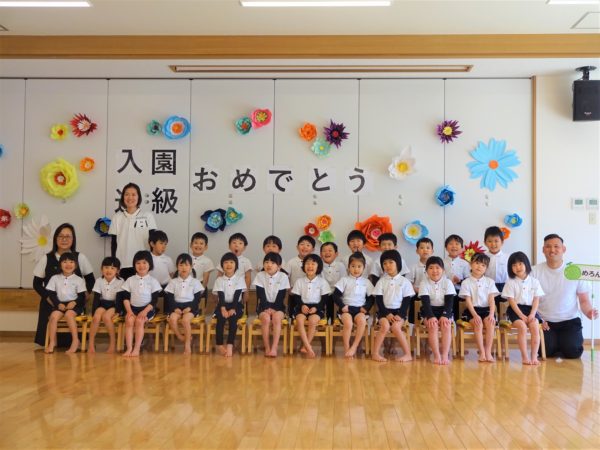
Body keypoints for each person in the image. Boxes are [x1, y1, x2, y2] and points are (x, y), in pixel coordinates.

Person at [532, 234, 597, 359]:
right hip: (545, 322)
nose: (552, 250)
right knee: (546, 351)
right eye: (548, 247)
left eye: (556, 246)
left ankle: (563, 344)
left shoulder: (575, 270)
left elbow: (584, 300)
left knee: (573, 352)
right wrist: (538, 320)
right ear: (543, 250)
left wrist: (589, 311)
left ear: (563, 249)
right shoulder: (534, 271)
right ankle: (556, 344)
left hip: (570, 320)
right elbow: (529, 301)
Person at [32, 223, 94, 348]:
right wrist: (49, 298)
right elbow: (36, 283)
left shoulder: (80, 257)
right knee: (52, 315)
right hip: (51, 302)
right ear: (55, 238)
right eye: (61, 236)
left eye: (68, 236)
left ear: (73, 239)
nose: (64, 239)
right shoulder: (46, 258)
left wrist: (84, 297)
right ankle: (51, 342)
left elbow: (91, 280)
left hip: (73, 304)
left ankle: (75, 341)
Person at [371, 250, 414, 363]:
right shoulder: (381, 281)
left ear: (398, 264)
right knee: (385, 326)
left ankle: (408, 354)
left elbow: (406, 301)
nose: (387, 265)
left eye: (391, 262)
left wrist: (400, 315)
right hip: (384, 312)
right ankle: (375, 353)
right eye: (384, 263)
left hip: (399, 313)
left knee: (395, 327)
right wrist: (387, 314)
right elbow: (379, 300)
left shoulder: (405, 281)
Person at [502, 251, 544, 365]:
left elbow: (536, 300)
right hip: (515, 310)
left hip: (531, 310)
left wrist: (532, 314)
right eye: (514, 265)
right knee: (522, 327)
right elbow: (511, 301)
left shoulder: (535, 282)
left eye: (520, 264)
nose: (518, 267)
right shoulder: (510, 283)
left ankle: (534, 357)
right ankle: (525, 357)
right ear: (510, 268)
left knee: (535, 326)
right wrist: (521, 316)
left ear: (526, 264)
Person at [108, 182, 157, 280]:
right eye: (127, 194)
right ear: (123, 197)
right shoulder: (117, 217)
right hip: (123, 264)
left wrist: (150, 262)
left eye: (134, 194)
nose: (130, 197)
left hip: (142, 265)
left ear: (139, 197)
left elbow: (153, 243)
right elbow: (114, 243)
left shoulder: (147, 216)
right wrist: (114, 265)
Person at [118, 251, 162, 357]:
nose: (141, 266)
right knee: (129, 320)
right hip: (132, 308)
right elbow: (125, 298)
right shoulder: (130, 280)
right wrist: (129, 311)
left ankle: (137, 348)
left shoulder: (153, 281)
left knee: (139, 321)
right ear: (134, 265)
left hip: (147, 309)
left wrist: (145, 311)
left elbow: (154, 301)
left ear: (150, 264)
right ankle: (129, 348)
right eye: (138, 263)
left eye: (144, 263)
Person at [458, 253, 499, 362]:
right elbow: (468, 301)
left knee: (490, 323)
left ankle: (488, 352)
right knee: (478, 323)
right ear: (471, 264)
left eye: (483, 265)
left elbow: (492, 300)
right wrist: (475, 315)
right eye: (477, 263)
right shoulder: (466, 282)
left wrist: (491, 314)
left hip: (487, 310)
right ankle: (481, 352)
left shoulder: (490, 282)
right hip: (472, 311)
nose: (479, 266)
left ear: (486, 268)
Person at [332, 252, 374, 358]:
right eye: (353, 266)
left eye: (359, 266)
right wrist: (342, 306)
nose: (356, 269)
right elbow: (335, 295)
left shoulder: (366, 282)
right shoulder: (344, 280)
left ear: (364, 268)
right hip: (346, 309)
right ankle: (347, 347)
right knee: (348, 323)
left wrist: (366, 307)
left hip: (360, 310)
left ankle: (354, 346)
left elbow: (371, 298)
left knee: (362, 321)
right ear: (348, 267)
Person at [44, 252, 87, 354]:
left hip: (75, 305)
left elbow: (82, 296)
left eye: (71, 262)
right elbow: (51, 294)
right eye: (65, 262)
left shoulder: (79, 280)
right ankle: (52, 342)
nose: (68, 264)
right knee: (53, 317)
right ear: (60, 264)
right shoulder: (55, 278)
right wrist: (58, 304)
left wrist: (74, 302)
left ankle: (75, 340)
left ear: (75, 265)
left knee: (69, 315)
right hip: (60, 304)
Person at [289, 254, 331, 358]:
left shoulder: (322, 282)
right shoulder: (299, 281)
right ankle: (308, 346)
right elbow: (296, 297)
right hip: (302, 307)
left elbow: (324, 299)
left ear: (318, 267)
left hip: (317, 308)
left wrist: (316, 308)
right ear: (304, 266)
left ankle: (305, 346)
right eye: (307, 263)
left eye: (313, 264)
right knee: (299, 320)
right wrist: (302, 305)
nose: (310, 266)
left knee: (313, 321)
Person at [418, 256, 456, 365]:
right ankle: (436, 355)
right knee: (433, 326)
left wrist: (445, 315)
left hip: (445, 310)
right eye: (431, 268)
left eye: (437, 267)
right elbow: (425, 303)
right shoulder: (424, 283)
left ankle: (444, 355)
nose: (434, 271)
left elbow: (449, 302)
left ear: (443, 270)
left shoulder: (448, 282)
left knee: (446, 326)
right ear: (426, 271)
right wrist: (430, 316)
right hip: (429, 310)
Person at [165, 254, 204, 355]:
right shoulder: (173, 282)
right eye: (181, 265)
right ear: (177, 267)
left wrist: (190, 308)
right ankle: (180, 337)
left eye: (186, 265)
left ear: (191, 267)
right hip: (176, 306)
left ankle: (187, 344)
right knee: (172, 319)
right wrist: (175, 308)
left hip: (190, 307)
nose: (183, 268)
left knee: (185, 320)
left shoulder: (195, 282)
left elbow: (197, 299)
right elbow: (170, 298)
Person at [252, 252, 290, 357]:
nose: (269, 265)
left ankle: (274, 348)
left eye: (273, 263)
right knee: (266, 319)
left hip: (278, 306)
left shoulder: (283, 276)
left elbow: (281, 295)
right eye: (266, 262)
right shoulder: (260, 275)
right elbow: (260, 294)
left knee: (276, 318)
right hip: (263, 306)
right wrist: (266, 308)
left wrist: (274, 309)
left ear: (279, 266)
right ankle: (267, 347)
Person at [213, 252, 247, 357]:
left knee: (233, 319)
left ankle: (230, 345)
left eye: (231, 262)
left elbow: (237, 294)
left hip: (236, 305)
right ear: (222, 265)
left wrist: (233, 309)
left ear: (236, 265)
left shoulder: (239, 279)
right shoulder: (219, 280)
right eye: (226, 262)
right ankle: (219, 344)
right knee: (220, 319)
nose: (228, 265)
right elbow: (221, 295)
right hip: (222, 305)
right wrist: (223, 309)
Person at [88, 257, 123, 354]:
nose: (109, 270)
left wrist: (118, 312)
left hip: (114, 305)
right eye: (106, 267)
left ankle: (112, 343)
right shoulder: (99, 280)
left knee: (106, 317)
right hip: (102, 304)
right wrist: (93, 312)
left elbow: (120, 299)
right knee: (96, 317)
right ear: (101, 269)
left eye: (112, 268)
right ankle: (91, 344)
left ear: (117, 271)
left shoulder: (120, 281)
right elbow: (96, 298)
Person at [216, 233, 253, 310]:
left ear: (244, 247)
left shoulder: (246, 261)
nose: (237, 245)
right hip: (225, 288)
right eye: (234, 243)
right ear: (229, 246)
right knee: (223, 307)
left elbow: (248, 277)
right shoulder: (224, 260)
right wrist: (217, 291)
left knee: (240, 308)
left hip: (240, 289)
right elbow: (219, 275)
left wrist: (246, 292)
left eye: (240, 243)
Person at [284, 235, 316, 317]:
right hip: (294, 293)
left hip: (311, 294)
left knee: (309, 315)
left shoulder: (315, 262)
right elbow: (284, 277)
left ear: (313, 249)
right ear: (297, 247)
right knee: (292, 314)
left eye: (308, 245)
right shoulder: (291, 262)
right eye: (302, 244)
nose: (304, 247)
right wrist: (289, 289)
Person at [443, 234, 471, 320]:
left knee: (459, 314)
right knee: (446, 314)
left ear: (462, 248)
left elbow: (468, 280)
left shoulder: (465, 263)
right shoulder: (441, 262)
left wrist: (459, 281)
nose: (454, 246)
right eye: (451, 244)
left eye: (457, 244)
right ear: (446, 247)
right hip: (444, 292)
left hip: (459, 292)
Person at [484, 226, 509, 319]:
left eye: (496, 241)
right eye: (490, 241)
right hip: (487, 288)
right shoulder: (482, 257)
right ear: (485, 242)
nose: (493, 244)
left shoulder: (508, 257)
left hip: (505, 287)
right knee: (490, 311)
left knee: (504, 311)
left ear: (502, 242)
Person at [320, 241, 347, 322]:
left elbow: (344, 280)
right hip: (323, 293)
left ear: (336, 254)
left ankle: (337, 319)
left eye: (330, 250)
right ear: (320, 254)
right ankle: (324, 320)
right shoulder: (319, 265)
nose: (327, 253)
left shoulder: (340, 265)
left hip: (337, 292)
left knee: (337, 298)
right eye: (324, 251)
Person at [189, 232, 215, 308]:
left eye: (201, 243)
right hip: (187, 284)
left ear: (206, 247)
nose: (198, 245)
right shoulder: (186, 258)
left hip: (200, 285)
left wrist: (202, 289)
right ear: (191, 245)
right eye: (195, 243)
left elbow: (206, 277)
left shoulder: (207, 261)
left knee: (200, 306)